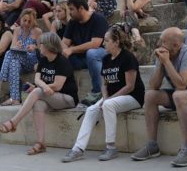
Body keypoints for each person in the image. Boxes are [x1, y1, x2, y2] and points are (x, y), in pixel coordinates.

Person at [62, 26, 145, 162]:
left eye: (106, 40)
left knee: (108, 105)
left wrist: (108, 100)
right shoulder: (106, 59)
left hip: (133, 97)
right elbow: (104, 84)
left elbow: (130, 86)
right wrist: (105, 98)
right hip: (112, 98)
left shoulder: (128, 58)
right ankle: (78, 149)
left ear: (116, 42)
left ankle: (111, 147)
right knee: (91, 110)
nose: (103, 43)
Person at [0, 32, 78, 154]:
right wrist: (43, 86)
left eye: (41, 44)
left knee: (37, 91)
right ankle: (41, 143)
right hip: (51, 96)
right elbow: (37, 79)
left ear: (49, 45)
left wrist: (41, 88)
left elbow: (58, 85)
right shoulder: (44, 60)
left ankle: (14, 122)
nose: (39, 46)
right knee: (38, 104)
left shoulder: (62, 61)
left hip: (67, 98)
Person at [131, 27, 187, 166]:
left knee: (179, 95)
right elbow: (154, 86)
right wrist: (162, 64)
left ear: (176, 45)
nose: (159, 45)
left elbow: (182, 85)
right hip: (177, 96)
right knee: (150, 96)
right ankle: (152, 145)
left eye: (163, 41)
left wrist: (167, 62)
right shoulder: (164, 53)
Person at [0, 9, 42, 105]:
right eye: (24, 20)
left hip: (32, 61)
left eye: (29, 21)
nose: (26, 23)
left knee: (9, 53)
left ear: (34, 21)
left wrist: (35, 47)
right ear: (21, 19)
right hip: (20, 60)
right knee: (14, 63)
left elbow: (42, 50)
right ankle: (15, 99)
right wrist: (17, 45)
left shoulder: (37, 31)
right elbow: (13, 47)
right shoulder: (17, 30)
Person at [62, 0, 108, 106]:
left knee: (91, 53)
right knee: (59, 56)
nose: (70, 13)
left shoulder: (98, 19)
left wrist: (72, 49)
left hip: (101, 54)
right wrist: (67, 50)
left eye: (72, 9)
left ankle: (97, 91)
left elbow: (95, 44)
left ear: (81, 8)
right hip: (81, 58)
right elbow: (64, 43)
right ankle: (65, 92)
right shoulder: (73, 23)